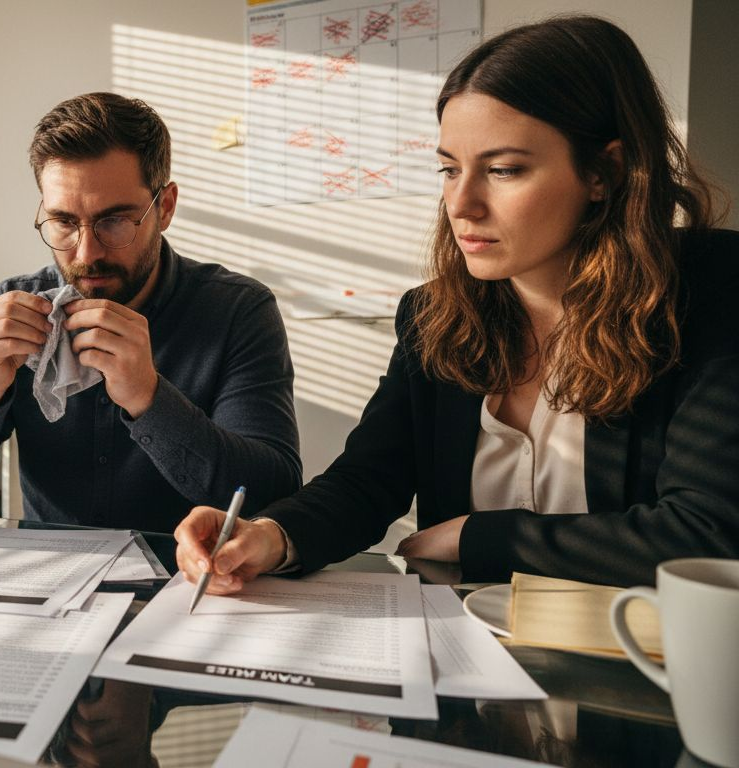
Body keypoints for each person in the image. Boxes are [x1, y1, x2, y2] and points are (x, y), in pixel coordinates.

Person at [175, 15, 739, 590]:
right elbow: (369, 481)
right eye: (449, 169)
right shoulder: (432, 316)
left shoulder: (715, 292)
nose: (461, 204)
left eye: (503, 169)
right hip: (462, 651)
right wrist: (269, 535)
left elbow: (706, 533)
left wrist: (481, 537)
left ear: (604, 171)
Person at [0, 92, 301, 531]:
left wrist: (148, 397)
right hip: (49, 580)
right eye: (64, 222)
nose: (87, 253)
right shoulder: (12, 304)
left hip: (189, 583)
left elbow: (273, 494)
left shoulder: (238, 310)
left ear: (164, 207)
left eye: (115, 221)